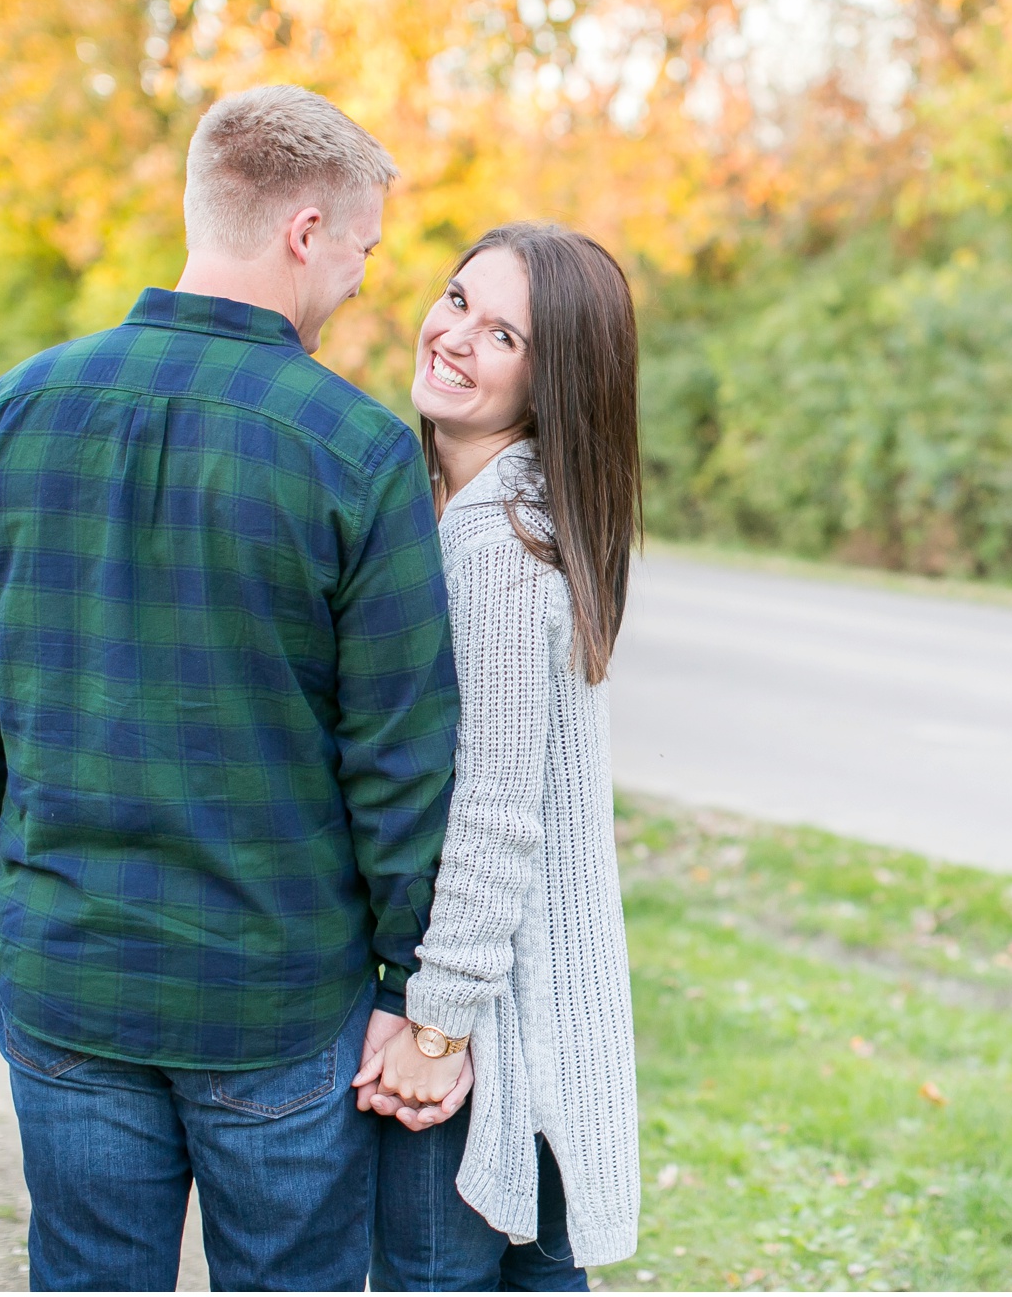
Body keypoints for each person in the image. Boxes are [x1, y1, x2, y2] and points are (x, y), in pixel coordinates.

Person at [0, 85, 461, 1292]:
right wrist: (403, 983)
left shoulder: (12, 411)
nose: (364, 280)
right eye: (364, 248)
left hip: (67, 969)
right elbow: (402, 760)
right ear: (305, 231)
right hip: (276, 996)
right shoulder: (356, 449)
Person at [352, 222, 643, 1290]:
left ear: (551, 381)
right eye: (456, 298)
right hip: (509, 1013)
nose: (456, 334)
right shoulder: (462, 514)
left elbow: (493, 812)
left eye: (504, 332)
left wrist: (436, 1026)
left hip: (492, 1027)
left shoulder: (499, 551)